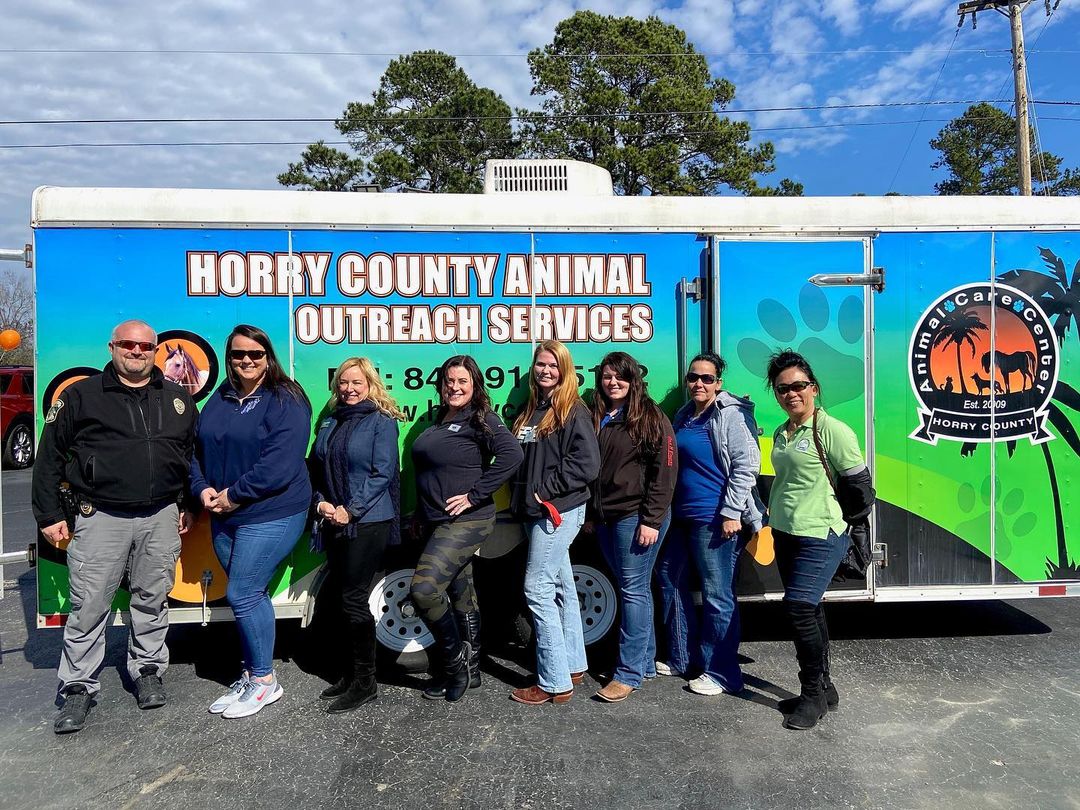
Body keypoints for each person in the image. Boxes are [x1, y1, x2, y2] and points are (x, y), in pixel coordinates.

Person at [32, 320, 197, 734]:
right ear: (112, 347)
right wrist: (49, 515)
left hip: (160, 515)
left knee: (152, 598)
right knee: (88, 604)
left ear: (157, 350)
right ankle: (77, 687)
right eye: (128, 344)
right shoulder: (81, 396)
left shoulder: (176, 397)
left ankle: (148, 671)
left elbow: (191, 457)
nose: (136, 352)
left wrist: (188, 503)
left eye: (145, 346)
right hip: (100, 516)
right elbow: (49, 458)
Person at [190, 324, 312, 719]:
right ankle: (252, 672)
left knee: (242, 593)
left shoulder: (286, 398)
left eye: (255, 354)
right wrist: (201, 488)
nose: (246, 360)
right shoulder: (221, 398)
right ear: (229, 358)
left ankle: (264, 681)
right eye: (239, 354)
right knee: (250, 595)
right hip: (224, 513)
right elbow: (196, 449)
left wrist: (232, 495)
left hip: (272, 511)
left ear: (268, 357)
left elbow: (279, 464)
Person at [765, 349, 870, 731]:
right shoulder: (782, 431)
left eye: (798, 386)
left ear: (814, 387)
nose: (791, 394)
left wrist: (849, 522)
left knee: (797, 607)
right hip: (786, 531)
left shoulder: (832, 429)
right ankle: (825, 688)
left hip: (820, 535)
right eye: (782, 389)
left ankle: (811, 694)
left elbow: (860, 485)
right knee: (810, 609)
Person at [409, 356, 522, 703]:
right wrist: (419, 512)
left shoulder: (481, 418)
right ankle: (471, 670)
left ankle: (453, 663)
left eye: (462, 381)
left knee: (424, 590)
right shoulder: (440, 419)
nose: (454, 387)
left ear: (474, 385)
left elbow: (512, 455)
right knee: (460, 590)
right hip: (434, 520)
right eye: (449, 381)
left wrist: (474, 495)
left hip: (467, 520)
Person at [655, 352, 765, 698]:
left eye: (706, 378)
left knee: (718, 595)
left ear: (719, 383)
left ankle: (722, 672)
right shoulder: (685, 415)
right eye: (693, 378)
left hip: (716, 520)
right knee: (668, 580)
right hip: (682, 518)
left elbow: (747, 466)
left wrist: (732, 512)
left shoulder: (729, 415)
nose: (698, 384)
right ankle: (683, 657)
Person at [310, 357, 404, 713]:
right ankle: (351, 675)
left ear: (370, 386)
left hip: (367, 521)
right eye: (343, 383)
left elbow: (383, 473)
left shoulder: (381, 422)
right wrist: (321, 504)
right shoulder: (331, 421)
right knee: (339, 599)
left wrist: (352, 508)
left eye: (357, 383)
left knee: (352, 599)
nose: (349, 389)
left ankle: (366, 682)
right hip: (333, 519)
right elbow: (318, 468)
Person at [509, 340, 600, 705]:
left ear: (565, 370)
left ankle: (554, 682)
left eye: (552, 365)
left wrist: (543, 490)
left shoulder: (572, 411)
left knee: (537, 590)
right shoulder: (537, 408)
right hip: (538, 513)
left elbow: (587, 464)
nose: (545, 371)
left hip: (556, 512)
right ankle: (573, 664)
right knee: (561, 588)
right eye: (540, 365)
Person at [588, 352, 677, 703]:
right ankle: (645, 662)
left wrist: (652, 520)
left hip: (636, 516)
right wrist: (593, 513)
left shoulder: (650, 416)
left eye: (620, 377)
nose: (613, 382)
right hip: (607, 517)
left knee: (632, 590)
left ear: (633, 379)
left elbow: (665, 472)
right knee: (634, 587)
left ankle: (628, 673)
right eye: (607, 376)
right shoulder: (600, 414)